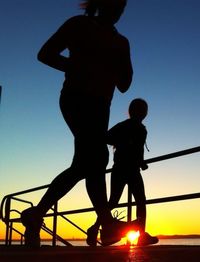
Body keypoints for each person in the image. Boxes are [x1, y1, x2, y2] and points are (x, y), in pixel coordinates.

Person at [21, 0, 137, 247]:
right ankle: (106, 225)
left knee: (87, 163)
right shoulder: (79, 25)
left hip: (102, 105)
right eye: (113, 3)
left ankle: (36, 215)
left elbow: (125, 84)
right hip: (76, 98)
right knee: (96, 157)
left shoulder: (121, 42)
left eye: (121, 7)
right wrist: (75, 67)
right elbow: (45, 54)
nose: (116, 10)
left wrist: (119, 61)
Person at [86, 98, 158, 246]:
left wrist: (140, 161)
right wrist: (124, 143)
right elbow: (107, 138)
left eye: (144, 110)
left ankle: (94, 230)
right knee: (132, 201)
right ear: (135, 112)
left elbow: (137, 150)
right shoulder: (133, 128)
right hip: (125, 169)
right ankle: (95, 229)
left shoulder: (137, 128)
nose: (143, 112)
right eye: (142, 109)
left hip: (126, 168)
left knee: (128, 201)